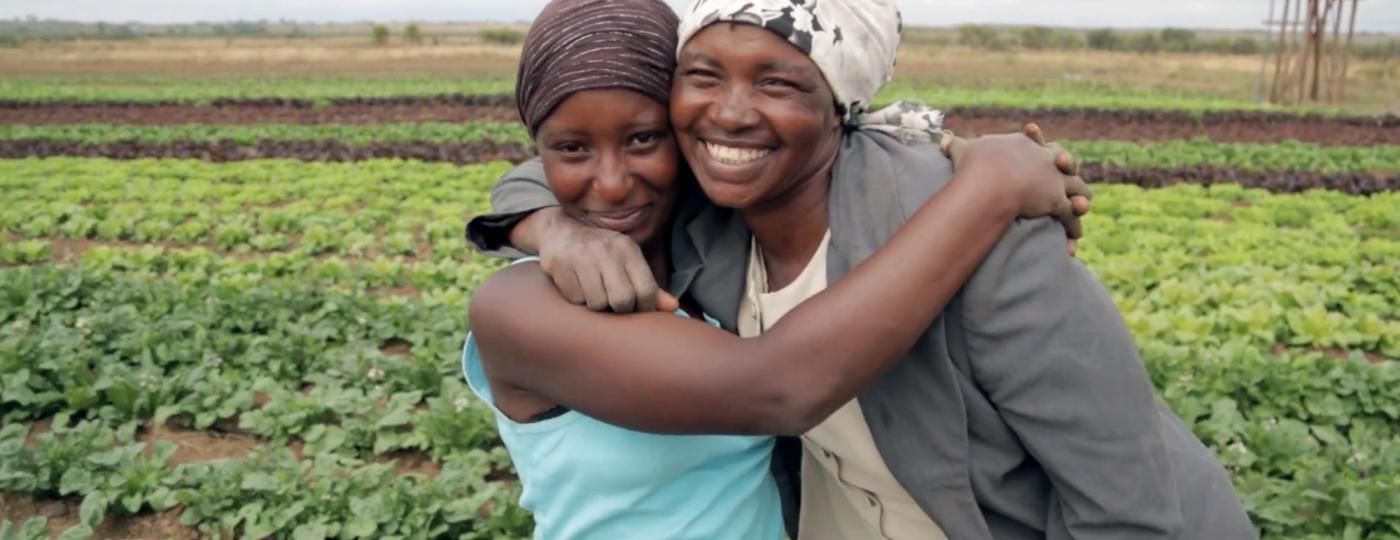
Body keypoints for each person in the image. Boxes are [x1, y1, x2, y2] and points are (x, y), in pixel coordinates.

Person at [470, 1, 1260, 539]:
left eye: (777, 81)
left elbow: (1125, 505)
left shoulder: (971, 232)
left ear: (840, 103)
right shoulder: (686, 233)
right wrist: (546, 226)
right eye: (704, 76)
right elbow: (774, 386)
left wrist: (985, 185)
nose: (730, 113)